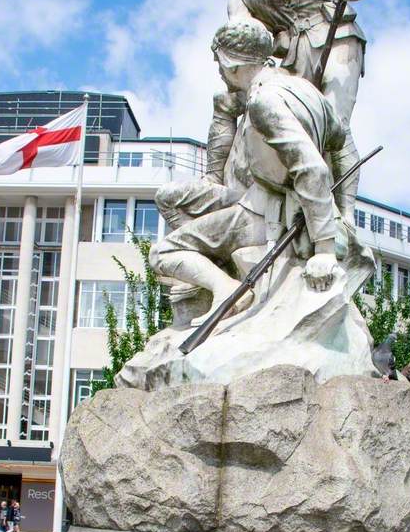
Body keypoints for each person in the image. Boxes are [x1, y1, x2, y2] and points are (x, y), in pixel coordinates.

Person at [148, 20, 353, 327]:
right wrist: (345, 212)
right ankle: (212, 269)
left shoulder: (263, 101)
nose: (218, 72)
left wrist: (324, 248)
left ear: (231, 64)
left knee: (163, 251)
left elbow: (311, 167)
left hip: (264, 216)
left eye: (219, 64)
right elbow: (345, 149)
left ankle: (224, 286)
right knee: (170, 197)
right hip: (261, 204)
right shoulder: (305, 90)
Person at [212, 0, 374, 220]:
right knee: (287, 127)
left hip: (337, 36)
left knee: (334, 124)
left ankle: (346, 217)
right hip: (291, 61)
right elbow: (244, 43)